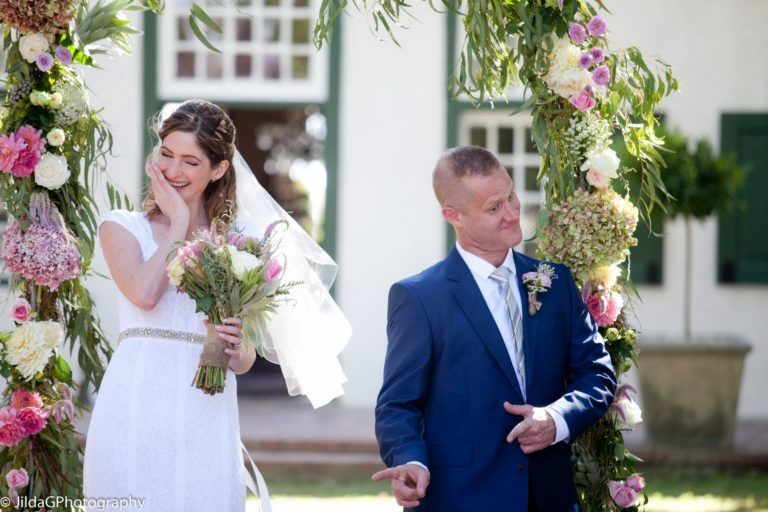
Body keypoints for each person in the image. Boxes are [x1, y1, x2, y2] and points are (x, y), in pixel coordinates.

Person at [83, 100, 350, 511]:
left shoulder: (241, 241)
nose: (173, 171)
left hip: (206, 408)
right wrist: (175, 224)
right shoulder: (121, 227)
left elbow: (243, 361)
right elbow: (145, 294)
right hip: (135, 398)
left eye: (190, 161)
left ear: (219, 169)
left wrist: (236, 342)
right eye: (166, 155)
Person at [373, 146, 616, 511]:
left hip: (550, 498)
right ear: (453, 215)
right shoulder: (419, 298)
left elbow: (597, 373)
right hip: (460, 498)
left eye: (511, 196)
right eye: (493, 208)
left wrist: (557, 418)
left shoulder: (555, 283)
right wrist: (411, 460)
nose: (512, 213)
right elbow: (397, 404)